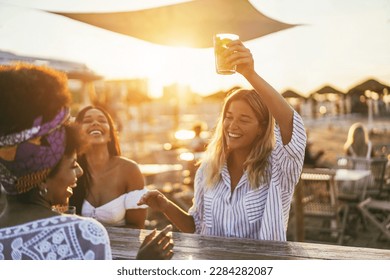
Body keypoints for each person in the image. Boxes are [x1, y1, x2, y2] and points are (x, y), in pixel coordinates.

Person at [138, 39, 306, 241]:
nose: (232, 126)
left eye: (244, 120)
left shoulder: (277, 168)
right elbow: (197, 227)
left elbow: (293, 126)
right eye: (228, 117)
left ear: (261, 128)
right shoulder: (208, 169)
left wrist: (249, 74)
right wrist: (166, 206)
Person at [0, 64, 173, 260]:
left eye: (102, 119)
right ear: (42, 177)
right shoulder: (83, 235)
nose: (79, 172)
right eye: (72, 164)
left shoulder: (129, 169)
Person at [69, 105, 148, 229]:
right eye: (88, 121)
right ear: (78, 134)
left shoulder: (130, 170)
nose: (95, 123)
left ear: (111, 134)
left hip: (123, 247)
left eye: (102, 120)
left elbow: (137, 226)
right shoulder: (70, 170)